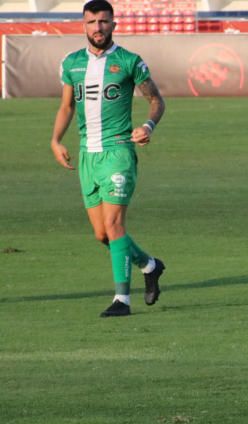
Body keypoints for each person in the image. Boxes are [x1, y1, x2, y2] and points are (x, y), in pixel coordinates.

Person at [50, 0, 166, 318]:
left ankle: (122, 300)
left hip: (118, 152)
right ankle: (150, 265)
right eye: (91, 22)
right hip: (88, 155)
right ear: (83, 25)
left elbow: (156, 99)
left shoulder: (129, 61)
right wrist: (56, 140)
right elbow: (67, 107)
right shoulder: (71, 63)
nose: (98, 28)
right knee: (102, 234)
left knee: (115, 225)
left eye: (103, 21)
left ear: (114, 24)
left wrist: (147, 125)